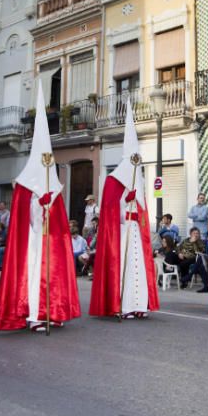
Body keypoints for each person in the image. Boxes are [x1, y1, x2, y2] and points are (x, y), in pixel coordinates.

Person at [0, 89, 81, 333]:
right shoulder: (26, 187)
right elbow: (28, 219)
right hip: (33, 240)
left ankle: (52, 311)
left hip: (51, 239)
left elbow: (60, 220)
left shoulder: (52, 182)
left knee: (52, 276)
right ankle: (34, 314)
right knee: (34, 276)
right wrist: (39, 204)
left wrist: (49, 203)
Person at [89, 102, 159, 318]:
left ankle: (139, 305)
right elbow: (110, 211)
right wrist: (123, 200)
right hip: (121, 232)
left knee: (138, 265)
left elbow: (143, 208)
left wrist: (137, 207)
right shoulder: (113, 181)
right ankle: (124, 305)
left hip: (136, 229)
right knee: (125, 267)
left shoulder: (138, 179)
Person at [178, 228, 208, 292]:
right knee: (182, 262)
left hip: (195, 258)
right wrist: (179, 253)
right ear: (190, 234)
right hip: (184, 257)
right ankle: (185, 280)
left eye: (197, 233)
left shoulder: (200, 242)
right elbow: (179, 247)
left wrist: (194, 242)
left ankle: (185, 281)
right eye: (194, 233)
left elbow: (202, 251)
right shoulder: (186, 240)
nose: (196, 235)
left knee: (184, 263)